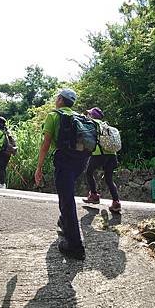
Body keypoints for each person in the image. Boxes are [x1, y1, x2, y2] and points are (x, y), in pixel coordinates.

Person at [35, 89, 90, 260]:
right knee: (67, 196)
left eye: (56, 98)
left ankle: (75, 247)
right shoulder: (79, 117)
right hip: (81, 161)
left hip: (64, 160)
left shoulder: (54, 116)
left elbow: (46, 144)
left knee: (67, 200)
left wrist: (39, 168)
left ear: (60, 99)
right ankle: (65, 224)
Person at [83, 107, 121, 212]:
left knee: (89, 173)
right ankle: (116, 202)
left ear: (92, 116)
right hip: (112, 155)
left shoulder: (92, 124)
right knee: (109, 179)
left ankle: (94, 195)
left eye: (89, 114)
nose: (88, 116)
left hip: (99, 155)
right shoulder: (106, 125)